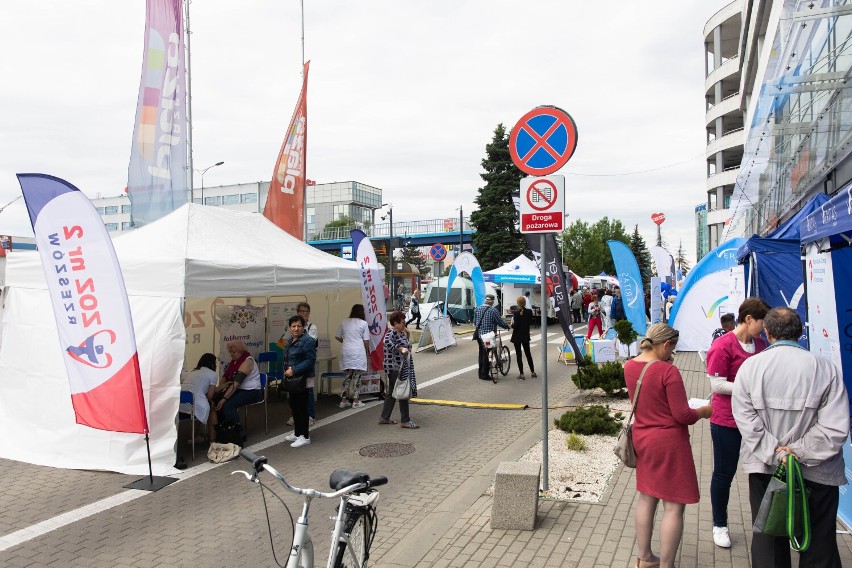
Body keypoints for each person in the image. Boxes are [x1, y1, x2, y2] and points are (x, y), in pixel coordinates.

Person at [732, 308, 848, 568]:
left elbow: (745, 420)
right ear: (800, 332)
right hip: (819, 470)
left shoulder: (750, 367)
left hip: (766, 467)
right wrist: (797, 451)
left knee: (768, 540)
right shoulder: (824, 368)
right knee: (819, 541)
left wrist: (778, 453)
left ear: (767, 332)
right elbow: (836, 427)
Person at [625, 324, 713, 568]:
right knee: (673, 506)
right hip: (669, 443)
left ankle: (645, 558)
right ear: (666, 344)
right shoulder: (667, 372)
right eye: (672, 347)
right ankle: (666, 565)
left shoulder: (630, 366)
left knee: (646, 498)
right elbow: (682, 414)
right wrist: (704, 411)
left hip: (642, 439)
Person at [705, 297, 770, 548]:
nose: (764, 328)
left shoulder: (762, 345)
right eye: (762, 322)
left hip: (757, 420)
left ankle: (768, 526)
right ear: (749, 319)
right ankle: (719, 524)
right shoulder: (722, 345)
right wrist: (750, 390)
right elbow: (717, 385)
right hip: (727, 420)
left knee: (763, 472)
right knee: (724, 473)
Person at [215, 340, 263, 443]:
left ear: (241, 351)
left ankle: (238, 434)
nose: (231, 354)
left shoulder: (247, 361)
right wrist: (221, 388)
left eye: (234, 352)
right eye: (230, 352)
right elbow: (225, 376)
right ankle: (223, 430)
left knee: (228, 405)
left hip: (253, 392)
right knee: (216, 400)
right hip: (240, 390)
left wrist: (224, 398)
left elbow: (236, 383)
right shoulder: (234, 362)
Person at [279, 302, 318, 427]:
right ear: (298, 312)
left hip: (305, 369)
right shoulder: (293, 328)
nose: (305, 313)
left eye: (307, 311)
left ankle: (310, 416)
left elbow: (308, 343)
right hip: (293, 368)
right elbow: (285, 341)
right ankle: (297, 417)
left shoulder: (311, 327)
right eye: (302, 311)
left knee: (308, 392)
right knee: (294, 393)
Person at [379, 311, 419, 429]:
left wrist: (407, 336)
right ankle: (405, 420)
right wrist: (399, 348)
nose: (404, 324)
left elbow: (409, 346)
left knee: (392, 392)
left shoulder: (401, 333)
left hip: (400, 366)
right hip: (395, 367)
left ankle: (384, 417)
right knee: (402, 391)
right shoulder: (391, 333)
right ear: (395, 323)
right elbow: (386, 342)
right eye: (402, 322)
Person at [335, 304, 370, 409]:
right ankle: (356, 401)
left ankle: (343, 400)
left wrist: (345, 341)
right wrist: (366, 351)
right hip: (358, 352)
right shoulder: (363, 323)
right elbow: (366, 341)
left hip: (346, 351)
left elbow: (337, 336)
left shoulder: (344, 322)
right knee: (357, 377)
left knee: (347, 376)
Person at [179, 353, 218, 442]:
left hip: (181, 406)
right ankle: (213, 440)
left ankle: (192, 437)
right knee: (211, 407)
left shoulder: (192, 372)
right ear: (212, 364)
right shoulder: (212, 374)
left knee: (199, 407)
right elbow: (209, 396)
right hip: (194, 405)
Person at [472, 294, 508, 381]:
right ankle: (485, 375)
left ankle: (480, 373)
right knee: (487, 354)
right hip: (489, 337)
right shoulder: (493, 310)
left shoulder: (478, 309)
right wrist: (507, 326)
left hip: (479, 335)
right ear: (492, 302)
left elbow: (474, 322)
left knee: (481, 353)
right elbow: (500, 322)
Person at [509, 295, 536, 380]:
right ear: (524, 303)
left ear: (518, 303)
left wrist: (511, 325)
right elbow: (529, 322)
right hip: (525, 335)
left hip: (517, 336)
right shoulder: (529, 312)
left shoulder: (516, 313)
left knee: (519, 355)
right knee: (528, 354)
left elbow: (516, 326)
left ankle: (522, 374)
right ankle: (532, 372)